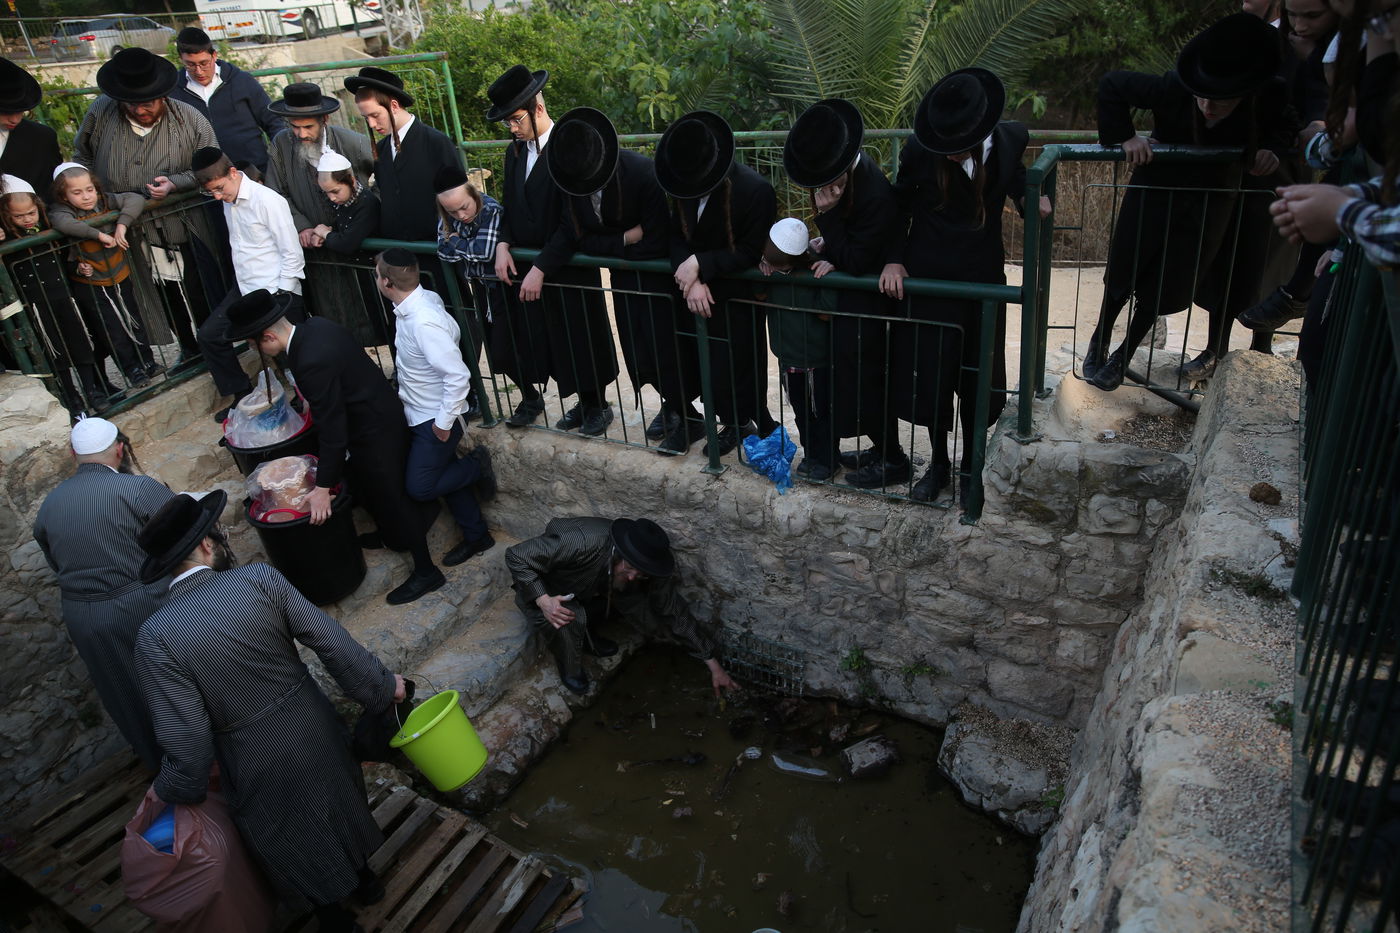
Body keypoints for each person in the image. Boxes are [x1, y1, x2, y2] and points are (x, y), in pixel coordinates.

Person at [133, 490, 406, 932]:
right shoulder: (259, 579)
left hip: (250, 754)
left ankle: (335, 920)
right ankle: (366, 882)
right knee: (337, 796)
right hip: (312, 721)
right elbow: (330, 641)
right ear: (205, 545)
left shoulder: (155, 637)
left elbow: (188, 739)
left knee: (289, 833)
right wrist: (381, 688)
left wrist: (176, 789)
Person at [1082, 13, 1292, 391]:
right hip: (1155, 189)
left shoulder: (1269, 95)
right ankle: (1100, 338)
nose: (1208, 107)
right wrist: (1125, 136)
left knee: (1169, 279)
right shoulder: (1173, 86)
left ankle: (1123, 354)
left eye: (1221, 100)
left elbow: (1287, 125)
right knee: (1126, 266)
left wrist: (1271, 149)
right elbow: (1113, 84)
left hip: (1212, 201)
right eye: (1202, 96)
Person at [881, 70, 1049, 502]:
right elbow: (900, 204)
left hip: (983, 277)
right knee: (933, 375)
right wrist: (894, 258)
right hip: (931, 279)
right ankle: (938, 464)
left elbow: (1015, 175)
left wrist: (1029, 196)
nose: (949, 155)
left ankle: (972, 463)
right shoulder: (921, 150)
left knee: (980, 374)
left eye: (956, 147)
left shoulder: (1010, 140)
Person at [224, 288, 451, 605]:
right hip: (374, 414)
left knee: (393, 496)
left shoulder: (309, 360)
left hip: (373, 429)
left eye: (253, 345)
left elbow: (333, 429)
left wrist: (321, 487)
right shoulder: (317, 327)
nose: (256, 350)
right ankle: (391, 534)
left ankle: (427, 571)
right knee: (369, 487)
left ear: (268, 337)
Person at [545, 106, 703, 453]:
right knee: (639, 353)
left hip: (657, 281)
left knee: (666, 351)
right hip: (624, 279)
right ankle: (674, 408)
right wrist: (624, 239)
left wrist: (608, 244)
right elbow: (577, 236)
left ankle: (688, 416)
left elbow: (656, 241)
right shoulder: (571, 179)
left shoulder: (642, 172)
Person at [33, 417, 175, 769]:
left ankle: (164, 773)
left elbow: (54, 560)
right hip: (143, 604)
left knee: (127, 698)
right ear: (120, 449)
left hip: (84, 618)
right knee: (176, 684)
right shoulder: (137, 488)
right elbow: (184, 538)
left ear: (73, 455)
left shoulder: (50, 504)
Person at [784, 98, 909, 490]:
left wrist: (828, 218)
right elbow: (850, 247)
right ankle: (883, 450)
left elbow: (856, 259)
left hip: (868, 305)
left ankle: (893, 459)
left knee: (867, 382)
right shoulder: (850, 179)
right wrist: (828, 244)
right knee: (855, 382)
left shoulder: (872, 191)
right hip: (854, 303)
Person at [75, 48, 225, 372]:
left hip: (183, 222)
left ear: (162, 95)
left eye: (147, 103)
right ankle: (187, 347)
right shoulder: (101, 111)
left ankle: (212, 346)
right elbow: (81, 157)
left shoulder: (190, 119)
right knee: (158, 293)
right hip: (127, 227)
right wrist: (92, 194)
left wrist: (175, 183)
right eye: (132, 104)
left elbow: (213, 166)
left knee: (196, 288)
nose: (140, 110)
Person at [487, 65, 618, 435]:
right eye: (507, 122)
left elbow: (574, 219)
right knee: (552, 338)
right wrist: (503, 243)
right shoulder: (514, 152)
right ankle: (580, 401)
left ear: (538, 109)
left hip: (566, 264)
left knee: (581, 334)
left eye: (516, 119)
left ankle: (597, 403)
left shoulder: (569, 147)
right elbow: (510, 203)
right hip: (530, 263)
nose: (512, 128)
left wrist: (542, 267)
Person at [656, 109, 778, 457]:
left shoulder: (755, 190)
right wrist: (691, 278)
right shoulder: (682, 181)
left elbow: (751, 250)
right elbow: (674, 235)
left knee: (735, 367)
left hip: (733, 295)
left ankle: (740, 423)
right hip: (692, 292)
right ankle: (691, 419)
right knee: (686, 358)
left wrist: (701, 264)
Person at [505, 516, 740, 696]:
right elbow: (517, 556)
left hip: (588, 587)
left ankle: (588, 639)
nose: (632, 576)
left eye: (641, 573)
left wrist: (713, 664)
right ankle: (569, 666)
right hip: (550, 590)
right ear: (619, 552)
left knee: (637, 606)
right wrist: (543, 600)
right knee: (566, 618)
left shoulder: (646, 571)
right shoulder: (582, 542)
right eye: (629, 568)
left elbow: (673, 611)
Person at [376, 248, 497, 568]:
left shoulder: (423, 321)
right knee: (443, 473)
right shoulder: (419, 301)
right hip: (419, 411)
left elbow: (458, 376)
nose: (376, 279)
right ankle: (477, 536)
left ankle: (476, 466)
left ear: (387, 282)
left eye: (376, 275)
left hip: (434, 418)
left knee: (421, 486)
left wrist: (443, 423)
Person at [191, 146, 306, 420]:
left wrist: (282, 295)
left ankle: (304, 397)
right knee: (209, 336)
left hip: (276, 290)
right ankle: (242, 394)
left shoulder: (267, 200)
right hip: (244, 288)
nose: (217, 196)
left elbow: (292, 252)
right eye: (211, 192)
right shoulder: (227, 200)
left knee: (291, 352)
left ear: (233, 173)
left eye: (219, 188)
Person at [264, 83, 380, 344]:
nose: (301, 134)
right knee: (328, 315)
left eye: (308, 126)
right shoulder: (281, 144)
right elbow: (276, 192)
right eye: (294, 127)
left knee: (369, 315)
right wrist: (303, 226)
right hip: (315, 252)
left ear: (324, 119)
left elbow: (384, 177)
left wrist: (363, 217)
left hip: (352, 248)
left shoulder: (352, 142)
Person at [1, 175, 115, 413]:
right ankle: (72, 397)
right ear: (6, 215)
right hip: (35, 306)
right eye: (18, 216)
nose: (27, 219)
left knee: (81, 345)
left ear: (38, 207)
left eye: (31, 213)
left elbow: (66, 260)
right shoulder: (6, 242)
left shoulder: (50, 230)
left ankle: (92, 390)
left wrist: (79, 268)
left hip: (64, 298)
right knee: (54, 351)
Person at [48, 162, 161, 390]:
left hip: (119, 273)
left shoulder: (105, 201)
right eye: (77, 192)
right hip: (92, 282)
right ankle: (132, 370)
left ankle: (147, 361)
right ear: (63, 195)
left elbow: (135, 199)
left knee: (133, 318)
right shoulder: (62, 211)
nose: (86, 197)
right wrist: (98, 234)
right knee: (112, 329)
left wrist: (122, 225)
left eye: (89, 189)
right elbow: (62, 223)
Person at [760, 217, 839, 480]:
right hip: (788, 358)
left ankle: (829, 459)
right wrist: (762, 268)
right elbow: (758, 293)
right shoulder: (770, 270)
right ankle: (811, 454)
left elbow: (826, 313)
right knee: (801, 412)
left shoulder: (816, 270)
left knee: (821, 412)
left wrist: (826, 278)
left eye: (781, 266)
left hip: (817, 360)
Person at [346, 66, 460, 241]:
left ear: (394, 105)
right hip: (396, 246)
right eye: (366, 118)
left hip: (435, 244)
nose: (371, 124)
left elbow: (457, 193)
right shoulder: (381, 148)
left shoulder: (436, 142)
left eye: (375, 115)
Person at [434, 163, 503, 421]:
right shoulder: (447, 216)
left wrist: (455, 240)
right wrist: (466, 245)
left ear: (473, 194)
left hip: (500, 287)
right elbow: (443, 252)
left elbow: (484, 252)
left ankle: (530, 399)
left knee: (507, 347)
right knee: (494, 348)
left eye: (464, 207)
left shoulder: (491, 209)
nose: (461, 216)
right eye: (453, 212)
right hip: (480, 287)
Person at [168, 27, 283, 176]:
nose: (199, 71)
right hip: (208, 178)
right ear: (180, 59)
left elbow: (273, 122)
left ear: (214, 55)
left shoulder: (242, 81)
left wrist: (279, 160)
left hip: (255, 171)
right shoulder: (173, 92)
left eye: (204, 63)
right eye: (190, 65)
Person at [0, 58, 61, 196]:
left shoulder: (42, 138)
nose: (15, 119)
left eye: (21, 110)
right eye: (5, 111)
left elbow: (53, 192)